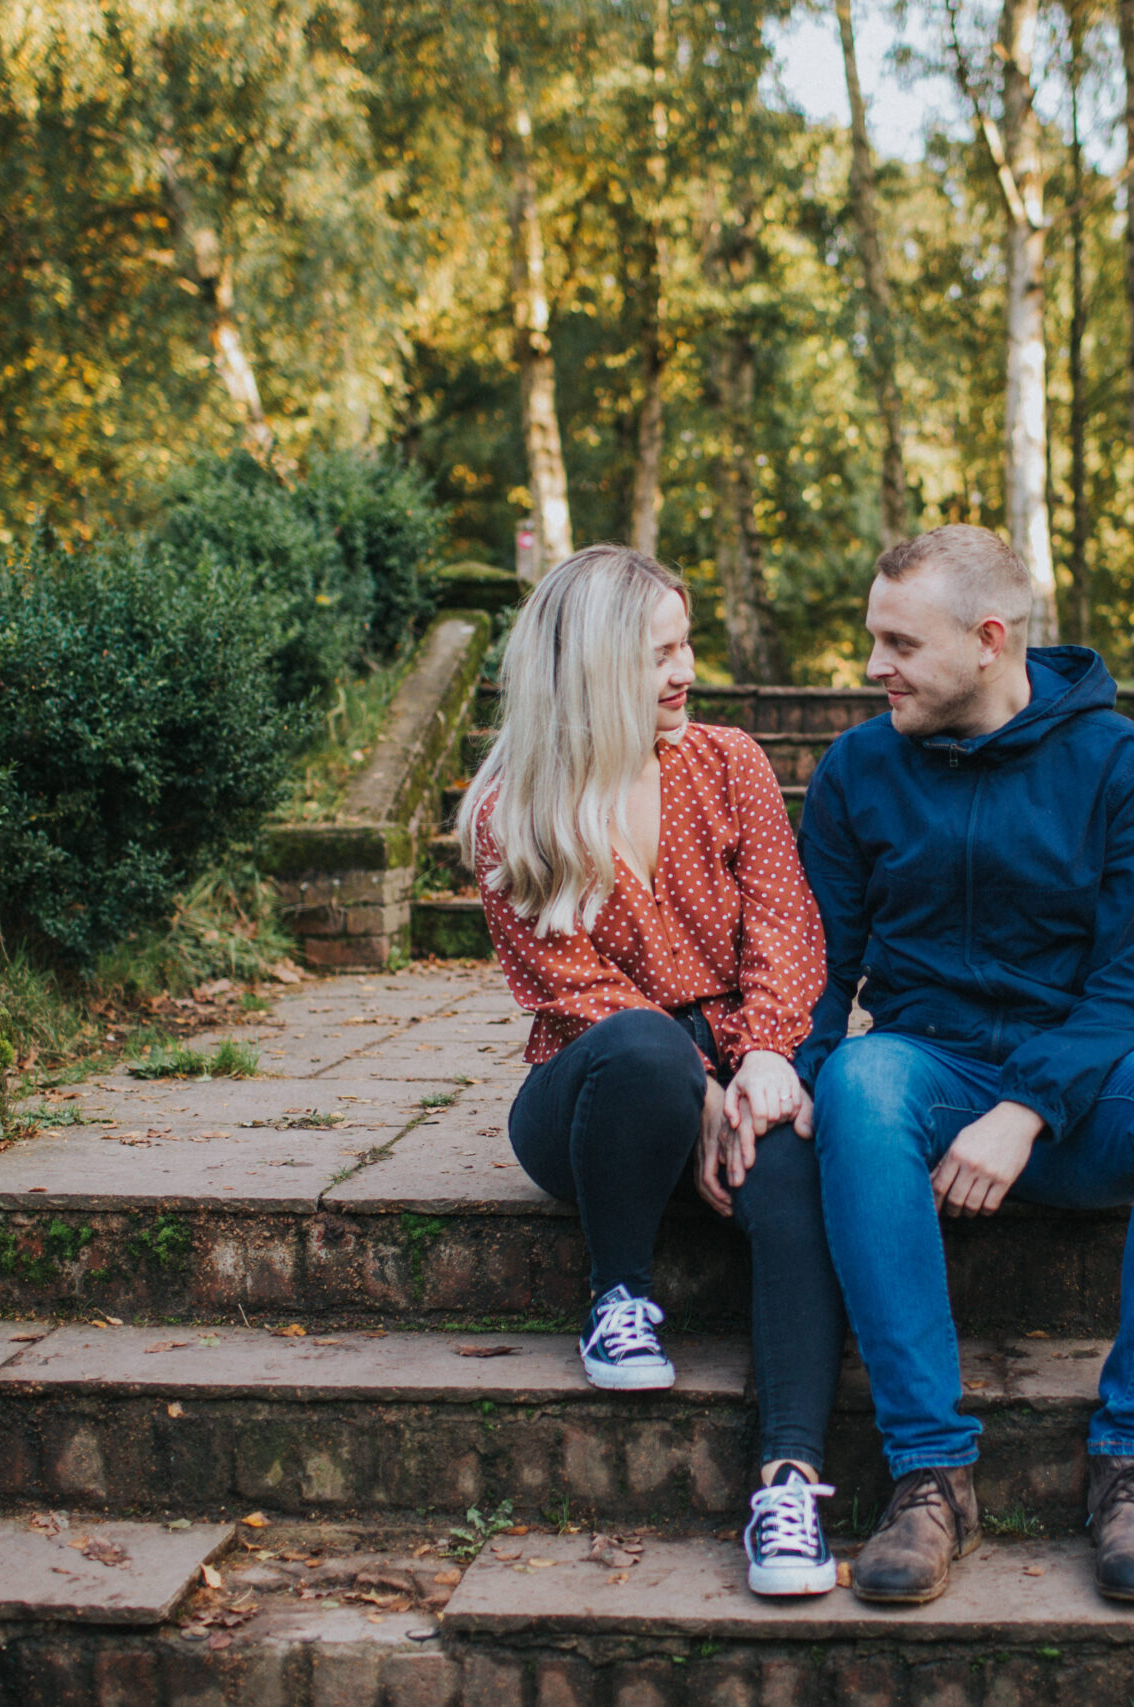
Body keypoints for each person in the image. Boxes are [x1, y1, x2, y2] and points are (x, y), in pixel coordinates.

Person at [796, 525, 1134, 1607]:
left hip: (1080, 1099)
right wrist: (783, 1072)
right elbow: (819, 965)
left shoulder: (1124, 767)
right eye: (873, 639)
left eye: (898, 643)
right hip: (925, 1072)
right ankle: (928, 1476)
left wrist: (1028, 1108)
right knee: (856, 1081)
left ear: (989, 640)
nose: (873, 667)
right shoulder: (858, 769)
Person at [457, 544, 847, 1599]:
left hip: (734, 1054)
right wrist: (699, 1089)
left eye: (685, 646)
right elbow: (566, 985)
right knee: (636, 1049)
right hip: (591, 1096)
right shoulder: (514, 811)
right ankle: (617, 1296)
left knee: (802, 1178)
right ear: (588, 669)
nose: (685, 672)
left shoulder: (729, 763)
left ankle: (789, 1485)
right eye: (657, 654)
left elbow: (784, 923)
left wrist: (765, 1053)